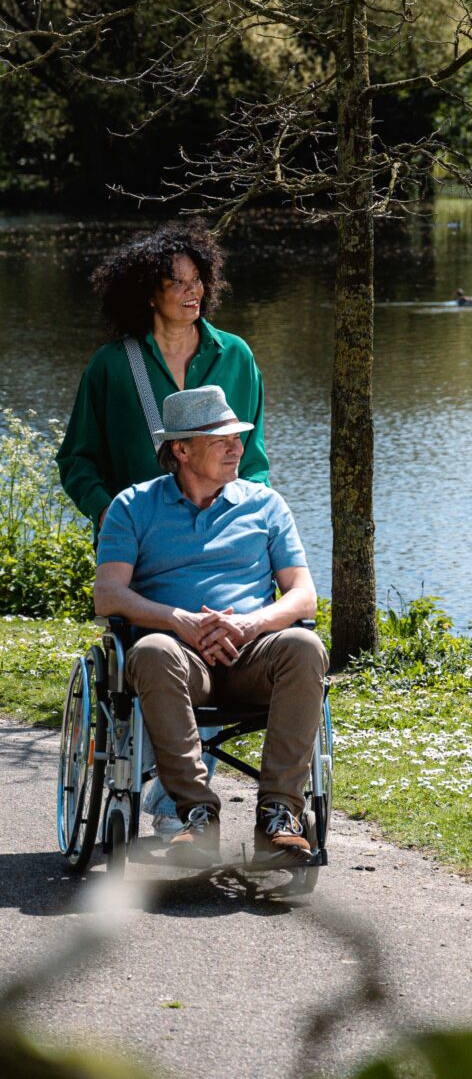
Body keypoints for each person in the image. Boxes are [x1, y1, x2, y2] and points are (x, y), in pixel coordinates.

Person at [57, 220, 269, 839]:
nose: (190, 291)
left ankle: (183, 795)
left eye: (197, 279)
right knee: (151, 649)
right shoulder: (112, 367)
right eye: (175, 282)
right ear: (148, 293)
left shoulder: (235, 356)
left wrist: (252, 525)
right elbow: (77, 460)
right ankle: (176, 793)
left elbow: (252, 461)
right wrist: (111, 515)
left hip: (226, 544)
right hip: (141, 550)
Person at [94, 386, 327, 868]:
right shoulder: (132, 506)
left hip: (254, 656)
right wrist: (180, 621)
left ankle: (279, 816)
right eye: (220, 439)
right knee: (153, 651)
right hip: (177, 660)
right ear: (180, 450)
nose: (236, 447)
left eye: (237, 438)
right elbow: (109, 595)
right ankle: (196, 815)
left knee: (304, 644)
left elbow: (304, 596)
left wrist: (249, 624)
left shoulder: (265, 505)